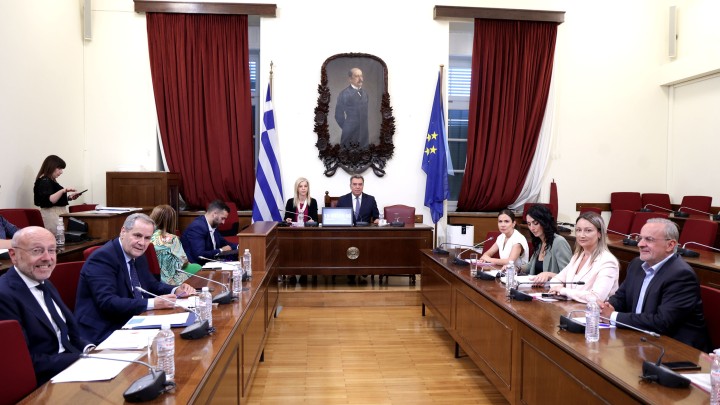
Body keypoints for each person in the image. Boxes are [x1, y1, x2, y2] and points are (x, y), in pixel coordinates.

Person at [74, 213, 195, 343]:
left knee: (177, 337)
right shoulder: (103, 258)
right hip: (105, 328)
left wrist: (175, 289)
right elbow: (108, 302)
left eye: (147, 238)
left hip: (135, 320)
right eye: (137, 235)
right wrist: (153, 303)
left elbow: (151, 284)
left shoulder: (137, 254)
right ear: (123, 232)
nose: (142, 243)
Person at [0, 227, 94, 386]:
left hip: (73, 364)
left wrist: (89, 349)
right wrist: (83, 359)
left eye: (51, 250)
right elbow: (25, 361)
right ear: (13, 255)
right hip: (45, 382)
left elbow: (68, 334)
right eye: (37, 251)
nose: (47, 258)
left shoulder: (43, 281)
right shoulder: (4, 295)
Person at [600, 218, 710, 351]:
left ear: (670, 245)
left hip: (676, 349)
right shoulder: (637, 264)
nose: (640, 244)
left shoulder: (681, 275)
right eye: (640, 238)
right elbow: (621, 297)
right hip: (641, 338)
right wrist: (606, 307)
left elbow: (662, 322)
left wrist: (612, 316)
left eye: (649, 239)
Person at [547, 212, 619, 303]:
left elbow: (597, 297)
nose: (582, 235)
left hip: (594, 311)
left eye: (588, 230)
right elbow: (557, 279)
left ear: (600, 233)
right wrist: (556, 288)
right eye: (578, 230)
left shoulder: (608, 261)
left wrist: (562, 290)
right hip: (571, 307)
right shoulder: (577, 256)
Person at [149, 205, 202, 285]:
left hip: (151, 279)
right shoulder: (172, 238)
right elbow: (184, 262)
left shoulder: (146, 237)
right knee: (197, 267)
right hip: (170, 279)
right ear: (172, 221)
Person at [522, 204, 572, 284]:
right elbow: (531, 266)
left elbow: (568, 276)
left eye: (535, 223)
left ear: (544, 222)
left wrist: (548, 274)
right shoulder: (539, 242)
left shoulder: (559, 242)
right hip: (536, 287)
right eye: (529, 224)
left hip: (552, 289)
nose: (532, 228)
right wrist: (516, 268)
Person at [180, 200, 238, 265]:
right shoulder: (197, 227)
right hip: (197, 267)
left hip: (211, 263)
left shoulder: (213, 226)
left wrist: (240, 246)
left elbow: (225, 243)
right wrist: (221, 250)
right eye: (222, 218)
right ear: (214, 214)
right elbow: (200, 255)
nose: (223, 222)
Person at [33, 155, 81, 232]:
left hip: (56, 214)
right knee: (58, 237)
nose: (61, 172)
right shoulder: (45, 180)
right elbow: (49, 200)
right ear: (51, 166)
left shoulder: (50, 180)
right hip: (52, 216)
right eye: (59, 169)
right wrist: (63, 191)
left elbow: (54, 199)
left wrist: (69, 198)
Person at [335, 67, 369, 149]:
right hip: (349, 135)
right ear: (350, 79)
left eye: (361, 76)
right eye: (357, 76)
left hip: (364, 136)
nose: (360, 79)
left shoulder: (365, 94)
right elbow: (338, 115)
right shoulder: (344, 94)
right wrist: (347, 128)